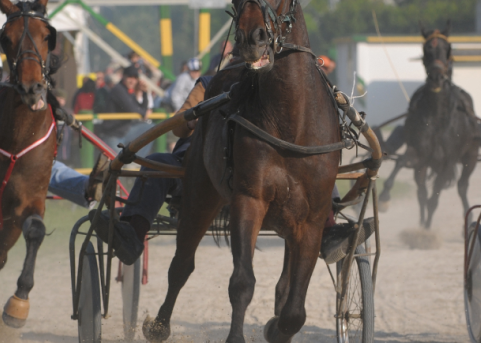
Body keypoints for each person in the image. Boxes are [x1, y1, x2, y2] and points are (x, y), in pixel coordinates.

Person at [92, 75, 372, 265]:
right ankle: (133, 234)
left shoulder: (274, 88)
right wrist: (196, 117)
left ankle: (328, 230)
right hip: (197, 167)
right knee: (158, 167)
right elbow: (179, 125)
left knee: (313, 164)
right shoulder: (209, 83)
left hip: (257, 177)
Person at [100, 66, 154, 157]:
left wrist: (144, 93)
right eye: (130, 77)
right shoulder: (118, 89)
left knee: (151, 128)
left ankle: (137, 161)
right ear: (123, 76)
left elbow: (139, 108)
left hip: (125, 131)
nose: (132, 81)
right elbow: (133, 109)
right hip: (113, 134)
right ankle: (135, 161)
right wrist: (144, 113)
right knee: (117, 166)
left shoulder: (127, 90)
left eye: (135, 78)